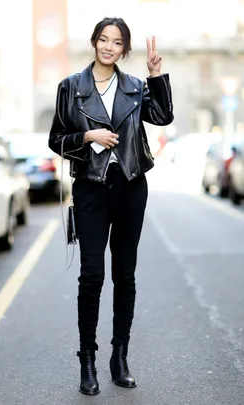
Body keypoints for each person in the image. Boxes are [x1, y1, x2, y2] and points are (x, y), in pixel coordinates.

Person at [48, 17, 173, 396]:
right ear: (94, 42)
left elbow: (163, 117)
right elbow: (56, 139)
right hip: (90, 188)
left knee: (125, 275)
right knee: (92, 276)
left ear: (124, 50)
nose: (108, 46)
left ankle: (120, 358)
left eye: (117, 42)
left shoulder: (135, 87)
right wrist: (87, 135)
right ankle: (88, 360)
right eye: (103, 39)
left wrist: (156, 75)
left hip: (131, 185)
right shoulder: (71, 87)